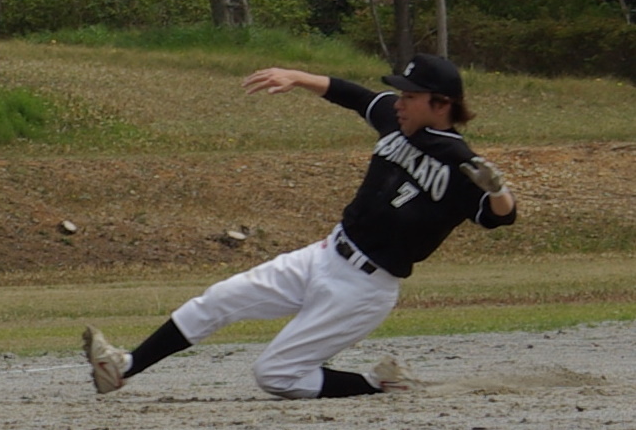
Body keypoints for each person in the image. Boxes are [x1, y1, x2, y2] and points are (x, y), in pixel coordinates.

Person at [83, 54, 517, 399]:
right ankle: (123, 368)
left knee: (274, 374)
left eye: (410, 96)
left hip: (364, 288)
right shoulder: (397, 122)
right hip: (325, 255)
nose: (398, 102)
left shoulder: (460, 162)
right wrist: (296, 76)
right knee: (217, 299)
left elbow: (501, 216)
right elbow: (353, 95)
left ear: (440, 103)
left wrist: (498, 190)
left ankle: (378, 383)